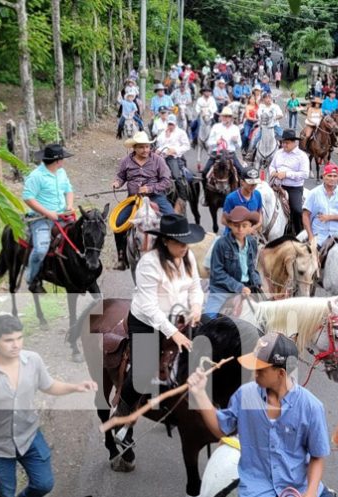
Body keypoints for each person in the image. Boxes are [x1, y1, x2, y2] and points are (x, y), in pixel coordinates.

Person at [0, 314, 97, 497]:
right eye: (8, 340)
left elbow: (49, 385)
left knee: (44, 484)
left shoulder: (33, 360)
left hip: (29, 437)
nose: (16, 345)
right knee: (4, 493)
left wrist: (75, 387)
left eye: (19, 338)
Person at [187, 332, 333, 497]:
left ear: (281, 373)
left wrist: (311, 492)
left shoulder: (312, 407)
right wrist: (200, 394)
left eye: (261, 370)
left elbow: (317, 456)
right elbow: (221, 430)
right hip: (256, 491)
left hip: (299, 489)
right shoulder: (245, 395)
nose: (254, 373)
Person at [115, 215, 203, 424]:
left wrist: (197, 307)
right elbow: (149, 307)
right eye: (180, 243)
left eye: (186, 242)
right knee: (142, 371)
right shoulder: (148, 264)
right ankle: (122, 412)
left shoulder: (188, 257)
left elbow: (195, 287)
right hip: (148, 321)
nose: (185, 247)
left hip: (180, 315)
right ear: (165, 241)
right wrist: (173, 333)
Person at [111, 131, 174, 270]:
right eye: (141, 147)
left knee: (172, 218)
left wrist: (150, 188)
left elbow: (166, 181)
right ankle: (121, 257)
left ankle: (172, 255)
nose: (145, 150)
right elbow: (121, 176)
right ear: (134, 148)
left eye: (147, 147)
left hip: (156, 197)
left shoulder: (158, 160)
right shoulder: (126, 161)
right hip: (133, 199)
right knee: (118, 222)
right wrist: (117, 182)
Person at [22, 144, 75, 293]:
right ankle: (32, 279)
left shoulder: (62, 172)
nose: (63, 161)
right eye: (62, 158)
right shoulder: (36, 176)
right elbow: (28, 198)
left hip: (62, 215)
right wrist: (48, 213)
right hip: (40, 218)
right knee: (41, 249)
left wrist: (70, 205)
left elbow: (69, 190)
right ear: (58, 160)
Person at [207, 206, 262, 315]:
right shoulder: (221, 244)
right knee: (209, 317)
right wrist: (239, 287)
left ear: (250, 226)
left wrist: (257, 281)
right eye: (236, 226)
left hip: (248, 286)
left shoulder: (252, 243)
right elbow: (217, 273)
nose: (240, 229)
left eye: (244, 226)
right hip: (223, 290)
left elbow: (251, 267)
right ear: (230, 225)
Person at [269, 128, 310, 235]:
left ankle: (299, 234)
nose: (284, 145)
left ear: (294, 142)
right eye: (283, 142)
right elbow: (272, 166)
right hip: (277, 185)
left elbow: (305, 174)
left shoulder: (302, 156)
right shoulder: (278, 153)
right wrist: (273, 171)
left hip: (293, 188)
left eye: (286, 143)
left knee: (297, 210)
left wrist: (287, 174)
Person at [303, 162, 338, 248]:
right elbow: (305, 214)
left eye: (335, 176)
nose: (332, 179)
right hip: (319, 235)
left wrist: (329, 217)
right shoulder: (314, 193)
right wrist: (310, 236)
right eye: (329, 176)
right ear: (323, 176)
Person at [221, 166, 263, 235]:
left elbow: (260, 215)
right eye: (250, 183)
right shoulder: (231, 198)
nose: (253, 186)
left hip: (250, 236)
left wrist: (253, 228)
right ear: (242, 182)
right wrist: (241, 230)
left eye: (255, 183)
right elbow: (223, 220)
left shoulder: (257, 195)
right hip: (232, 236)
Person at [156, 114, 192, 183]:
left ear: (175, 124)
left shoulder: (181, 132)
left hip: (173, 157)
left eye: (172, 124)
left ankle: (182, 192)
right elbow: (159, 144)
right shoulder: (163, 132)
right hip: (161, 157)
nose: (170, 126)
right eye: (169, 124)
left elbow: (187, 146)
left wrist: (175, 150)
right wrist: (158, 150)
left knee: (176, 176)